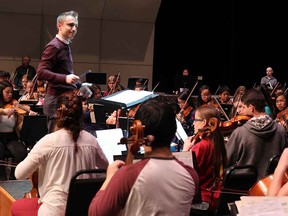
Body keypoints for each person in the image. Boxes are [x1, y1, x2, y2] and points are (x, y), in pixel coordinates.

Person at [88, 99, 199, 216]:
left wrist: (110, 177)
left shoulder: (129, 175)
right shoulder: (191, 175)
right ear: (174, 130)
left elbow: (95, 212)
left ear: (139, 131)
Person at [10, 93, 109, 216]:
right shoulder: (91, 140)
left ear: (57, 113)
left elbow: (19, 174)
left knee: (15, 206)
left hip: (53, 211)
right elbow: (107, 170)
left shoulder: (48, 141)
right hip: (85, 210)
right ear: (81, 114)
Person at [225, 88, 288, 180]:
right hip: (272, 183)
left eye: (243, 107)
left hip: (244, 186)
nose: (239, 111)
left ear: (251, 108)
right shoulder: (280, 130)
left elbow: (226, 161)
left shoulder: (240, 132)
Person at [37, 10, 81, 133]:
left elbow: (64, 71)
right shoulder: (54, 46)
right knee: (55, 142)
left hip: (64, 98)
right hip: (55, 101)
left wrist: (80, 85)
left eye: (76, 26)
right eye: (71, 25)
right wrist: (65, 78)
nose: (74, 29)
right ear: (59, 25)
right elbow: (41, 72)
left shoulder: (64, 45)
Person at [183, 105, 227, 211]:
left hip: (201, 199)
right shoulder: (217, 141)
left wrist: (185, 151)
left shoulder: (201, 147)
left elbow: (183, 175)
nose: (193, 123)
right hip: (213, 197)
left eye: (195, 120)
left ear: (203, 123)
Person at [0, 81, 28, 180]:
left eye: (11, 92)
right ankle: (2, 178)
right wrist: (3, 111)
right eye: (7, 92)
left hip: (11, 136)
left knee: (21, 152)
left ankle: (13, 176)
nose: (10, 94)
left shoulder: (13, 104)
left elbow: (19, 127)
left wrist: (22, 118)